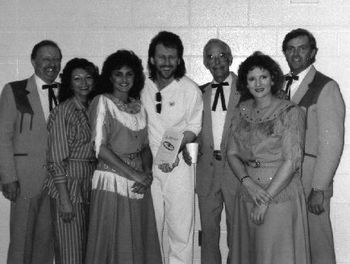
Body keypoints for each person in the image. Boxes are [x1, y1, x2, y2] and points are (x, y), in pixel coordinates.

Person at [227, 52, 310, 264]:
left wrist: (265, 200)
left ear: (273, 79)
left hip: (278, 193)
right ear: (246, 83)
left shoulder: (290, 111)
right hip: (248, 192)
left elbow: (292, 161)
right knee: (250, 254)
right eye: (252, 78)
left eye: (263, 77)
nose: (258, 83)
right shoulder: (241, 111)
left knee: (275, 254)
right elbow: (232, 153)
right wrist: (248, 184)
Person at [85, 50, 162, 264]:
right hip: (112, 181)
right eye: (118, 74)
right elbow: (100, 148)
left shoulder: (138, 106)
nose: (124, 79)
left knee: (137, 240)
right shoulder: (102, 102)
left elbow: (145, 146)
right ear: (110, 77)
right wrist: (134, 175)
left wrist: (146, 174)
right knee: (114, 240)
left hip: (138, 184)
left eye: (129, 74)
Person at [282, 28, 345, 264]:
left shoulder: (326, 87)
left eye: (302, 48)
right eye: (290, 48)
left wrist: (319, 188)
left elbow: (332, 143)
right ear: (285, 53)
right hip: (284, 181)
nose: (296, 53)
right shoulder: (280, 86)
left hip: (311, 180)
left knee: (318, 245)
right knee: (293, 244)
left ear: (313, 52)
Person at [141, 31, 203, 264]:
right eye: (161, 57)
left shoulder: (190, 89)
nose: (166, 62)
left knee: (181, 230)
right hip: (148, 168)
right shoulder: (141, 86)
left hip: (178, 167)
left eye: (172, 57)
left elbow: (194, 126)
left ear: (179, 60)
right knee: (151, 227)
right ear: (152, 59)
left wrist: (172, 151)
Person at [0, 40, 62, 264]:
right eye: (46, 59)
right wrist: (8, 178)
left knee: (46, 244)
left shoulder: (65, 92)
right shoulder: (14, 90)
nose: (52, 64)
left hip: (57, 183)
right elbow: (3, 137)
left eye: (56, 59)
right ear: (33, 61)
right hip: (25, 179)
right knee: (21, 243)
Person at [41, 58, 99, 264]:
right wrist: (64, 200)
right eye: (77, 78)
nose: (84, 83)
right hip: (69, 185)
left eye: (88, 77)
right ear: (69, 82)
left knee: (90, 252)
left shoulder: (95, 108)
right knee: (70, 252)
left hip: (91, 184)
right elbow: (55, 160)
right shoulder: (63, 111)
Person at [196, 39, 240, 264]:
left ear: (230, 58)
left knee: (238, 232)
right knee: (209, 233)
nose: (217, 61)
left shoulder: (248, 89)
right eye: (210, 57)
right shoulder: (198, 93)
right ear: (205, 62)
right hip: (206, 171)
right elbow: (190, 126)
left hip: (236, 171)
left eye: (221, 55)